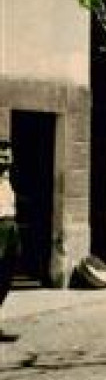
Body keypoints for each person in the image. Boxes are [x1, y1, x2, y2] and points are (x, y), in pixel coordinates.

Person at [0, 139, 20, 342]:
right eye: (1, 155)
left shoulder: (7, 179)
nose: (5, 159)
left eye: (8, 155)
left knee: (6, 275)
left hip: (10, 226)